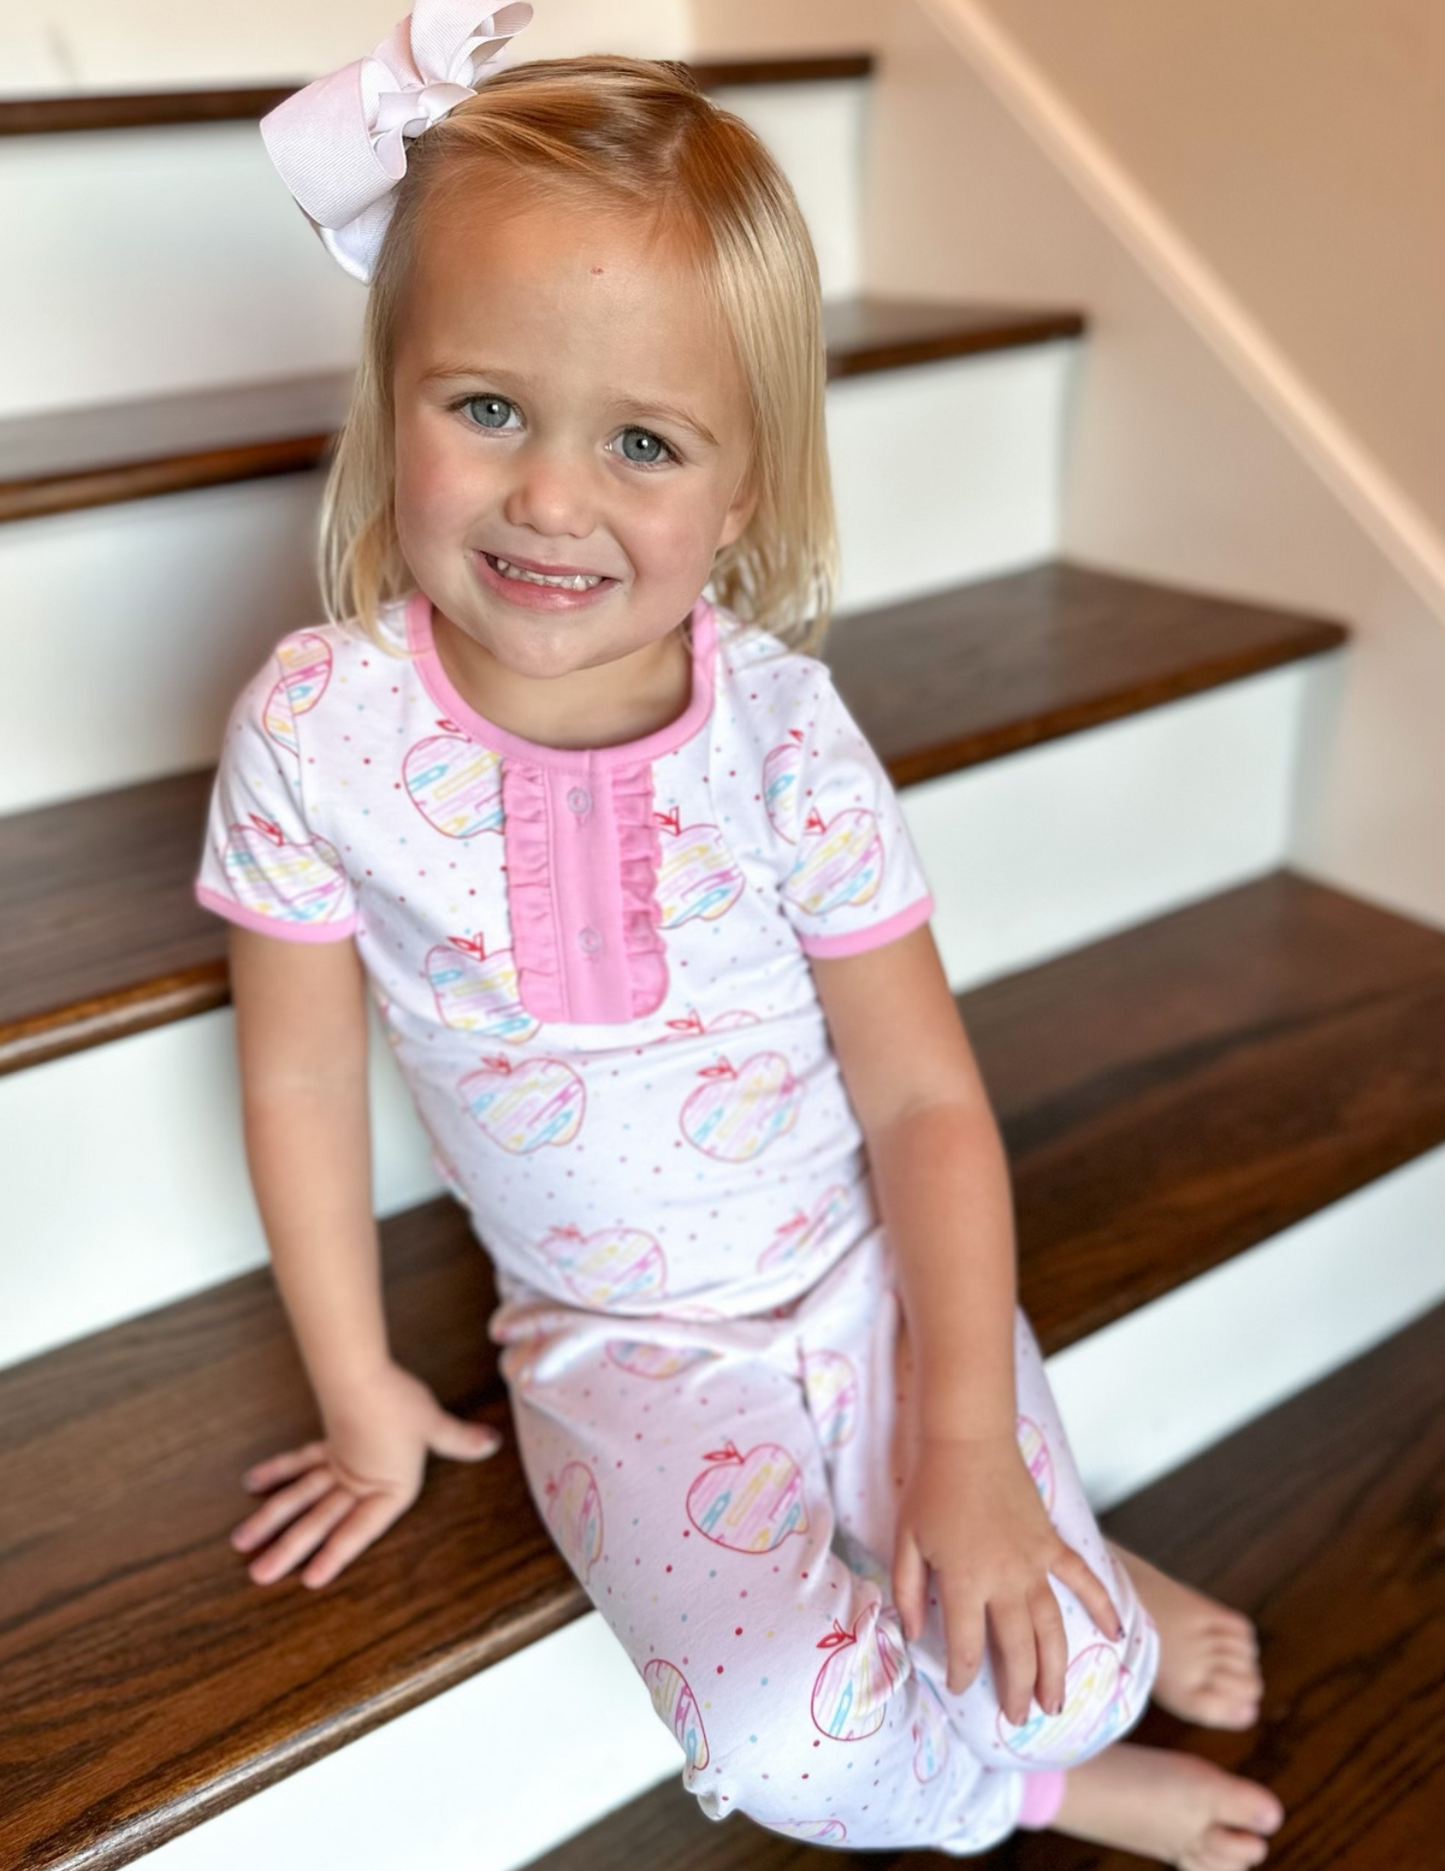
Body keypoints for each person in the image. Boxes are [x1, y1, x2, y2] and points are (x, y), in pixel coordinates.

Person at [199, 5, 1285, 1863]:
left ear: (744, 486)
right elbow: (296, 1075)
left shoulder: (784, 734)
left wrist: (961, 1446)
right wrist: (357, 1387)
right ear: (392, 395)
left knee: (1076, 1663)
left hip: (865, 1279)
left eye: (642, 439)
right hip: (616, 1346)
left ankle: (1070, 1604)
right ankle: (1031, 1795)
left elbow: (926, 1105)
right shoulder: (317, 728)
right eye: (485, 408)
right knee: (805, 1744)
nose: (552, 496)